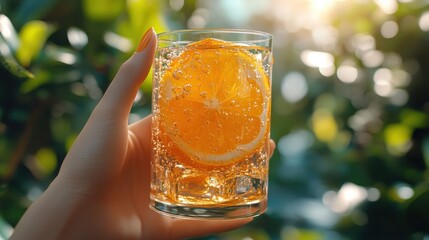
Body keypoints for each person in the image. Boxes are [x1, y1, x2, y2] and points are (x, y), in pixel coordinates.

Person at [10, 28, 276, 240]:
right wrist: (75, 192)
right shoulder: (170, 54)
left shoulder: (257, 54)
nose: (213, 104)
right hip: (162, 196)